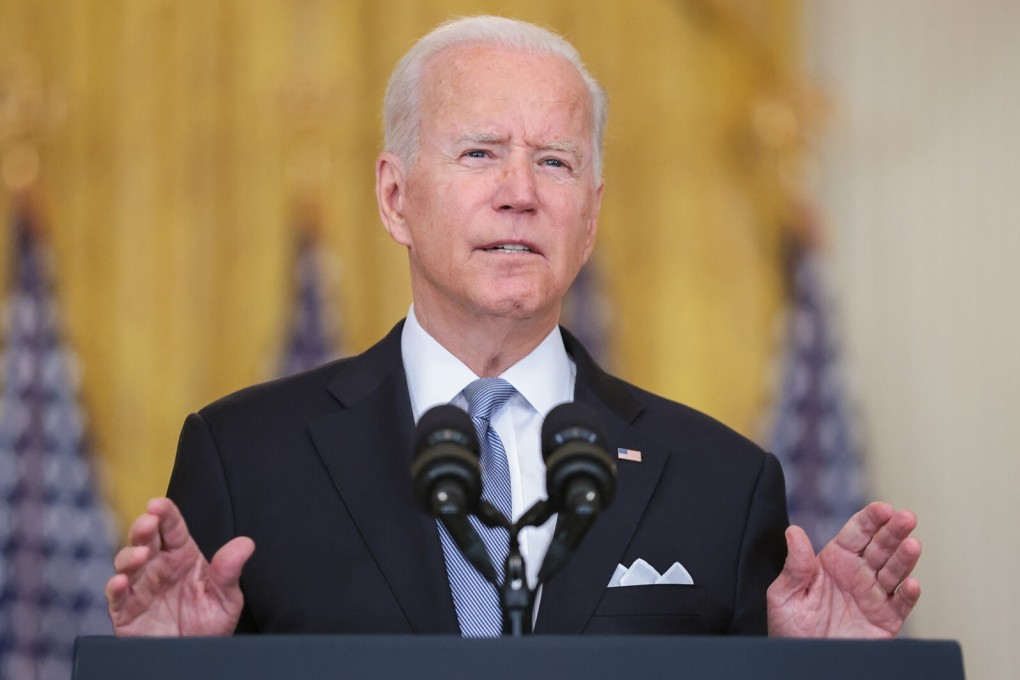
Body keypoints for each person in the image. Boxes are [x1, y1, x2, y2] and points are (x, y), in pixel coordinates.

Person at [105, 15, 920, 639]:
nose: (520, 192)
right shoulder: (246, 459)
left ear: (590, 218)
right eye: (480, 154)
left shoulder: (722, 484)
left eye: (555, 161)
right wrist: (157, 671)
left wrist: (821, 672)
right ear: (395, 198)